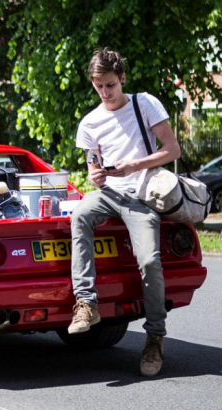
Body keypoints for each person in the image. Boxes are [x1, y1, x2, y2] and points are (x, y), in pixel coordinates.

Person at [69, 48, 181, 377]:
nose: (105, 93)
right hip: (108, 194)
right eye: (98, 86)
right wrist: (95, 174)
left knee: (148, 260)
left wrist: (135, 165)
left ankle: (155, 337)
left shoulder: (144, 104)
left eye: (110, 86)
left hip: (142, 195)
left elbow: (172, 150)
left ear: (122, 79)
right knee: (80, 215)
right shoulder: (90, 122)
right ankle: (87, 304)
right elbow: (91, 164)